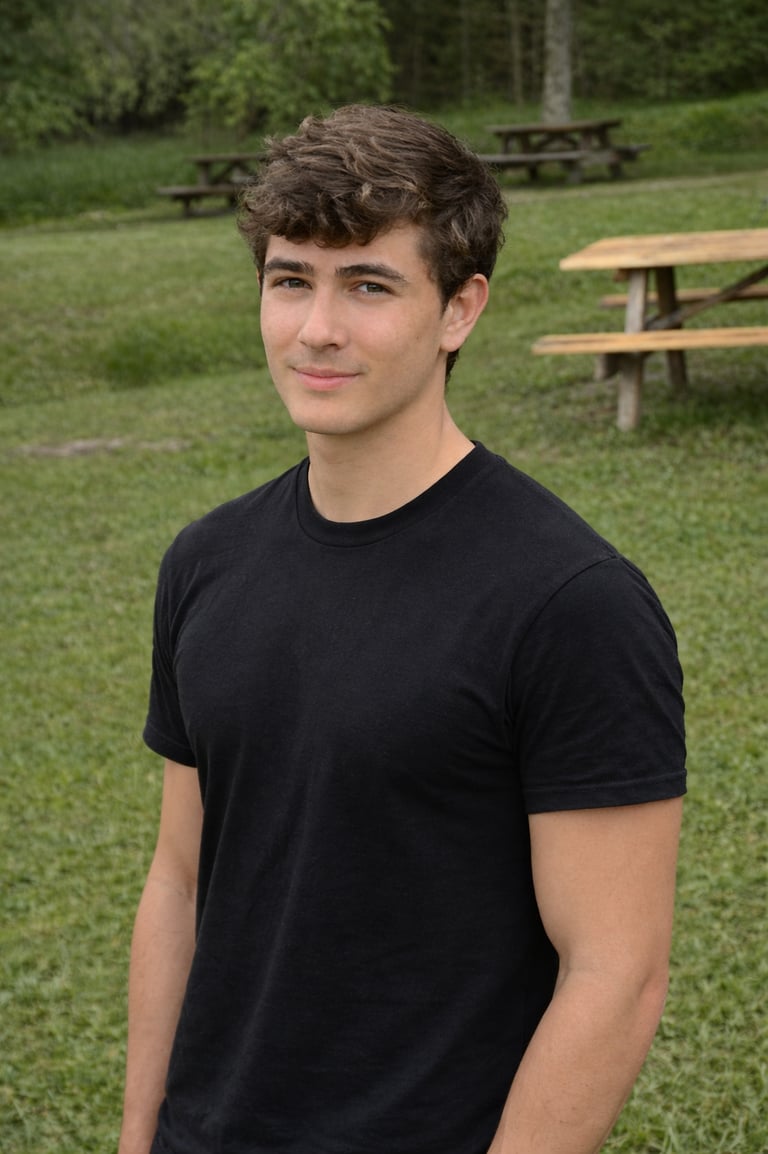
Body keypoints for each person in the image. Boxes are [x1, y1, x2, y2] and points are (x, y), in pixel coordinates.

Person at [118, 105, 686, 1154]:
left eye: (368, 285)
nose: (316, 328)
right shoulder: (205, 562)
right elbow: (181, 877)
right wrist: (141, 1133)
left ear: (460, 308)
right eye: (291, 279)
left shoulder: (572, 600)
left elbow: (616, 969)